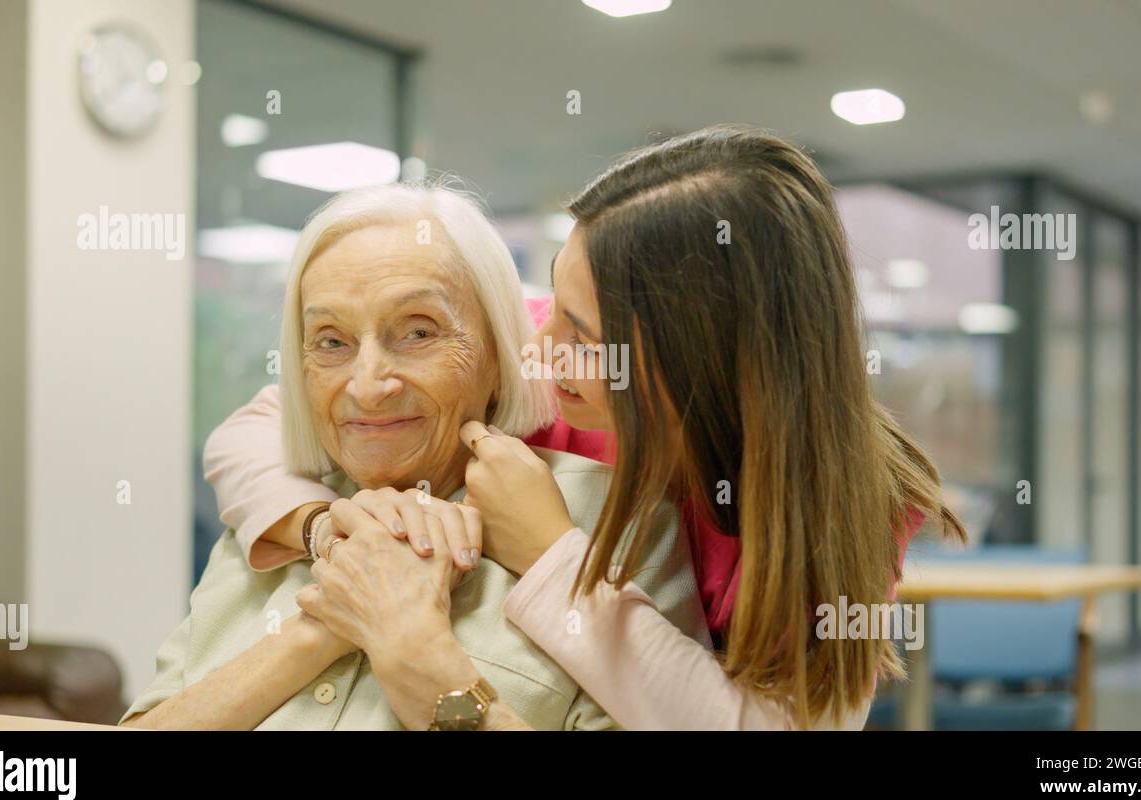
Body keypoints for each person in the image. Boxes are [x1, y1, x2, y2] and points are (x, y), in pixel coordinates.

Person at [205, 125, 966, 730]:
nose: (537, 348)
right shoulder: (552, 363)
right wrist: (320, 526)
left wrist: (549, 552)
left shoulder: (851, 502)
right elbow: (259, 425)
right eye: (552, 304)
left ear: (703, 361)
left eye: (579, 330)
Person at [121, 182, 708, 730]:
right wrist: (319, 628)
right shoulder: (278, 514)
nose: (368, 385)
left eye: (419, 332)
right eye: (331, 341)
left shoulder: (617, 525)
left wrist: (410, 645)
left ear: (500, 357)